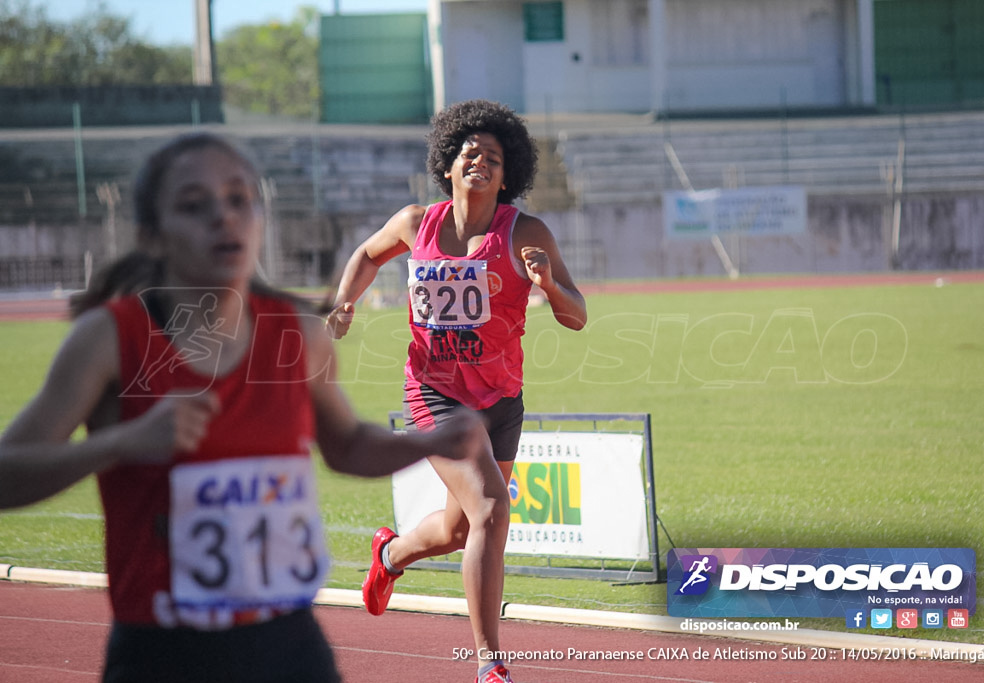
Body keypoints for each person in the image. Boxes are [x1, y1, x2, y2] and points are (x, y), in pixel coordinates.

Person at [0, 132, 487, 683]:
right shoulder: (109, 341)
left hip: (290, 647)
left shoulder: (298, 333)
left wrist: (425, 443)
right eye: (193, 205)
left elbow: (346, 445)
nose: (223, 218)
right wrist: (119, 445)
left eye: (238, 199)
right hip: (163, 656)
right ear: (151, 236)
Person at [325, 99, 587, 683]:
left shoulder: (525, 232)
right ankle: (490, 662)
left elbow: (578, 315)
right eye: (470, 152)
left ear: (506, 173)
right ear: (448, 163)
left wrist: (548, 285)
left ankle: (389, 555)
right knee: (493, 510)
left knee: (460, 529)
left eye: (494, 158)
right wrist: (345, 301)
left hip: (500, 402)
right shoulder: (414, 223)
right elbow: (368, 255)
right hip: (435, 395)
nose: (481, 162)